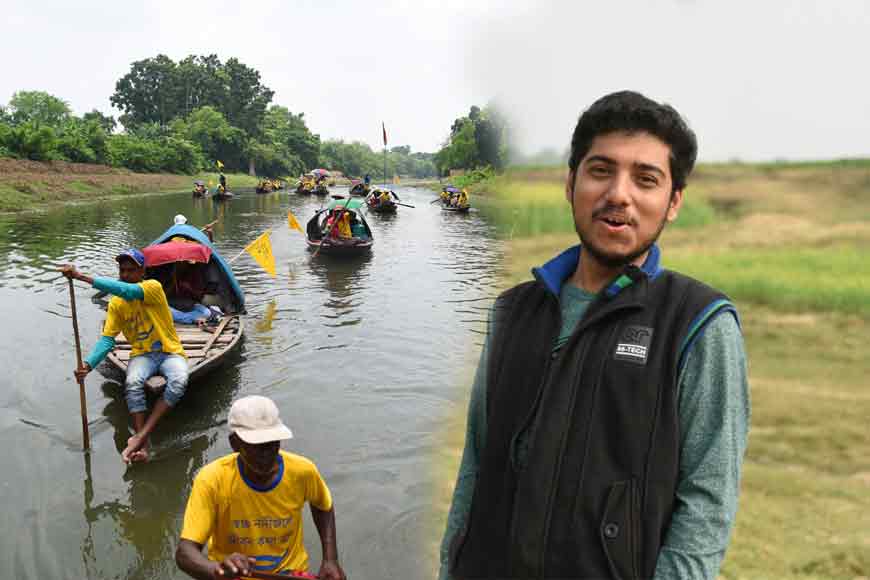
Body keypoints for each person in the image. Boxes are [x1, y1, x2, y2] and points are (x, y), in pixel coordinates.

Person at [439, 91, 750, 580]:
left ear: (673, 203)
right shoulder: (512, 311)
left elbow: (706, 507)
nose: (619, 195)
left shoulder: (698, 323)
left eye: (646, 179)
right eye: (601, 170)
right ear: (571, 182)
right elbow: (477, 463)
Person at [175, 395, 346, 580]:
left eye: (273, 443)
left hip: (289, 573)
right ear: (235, 444)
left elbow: (323, 505)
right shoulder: (211, 480)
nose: (267, 454)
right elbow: (185, 554)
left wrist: (330, 559)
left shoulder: (303, 472)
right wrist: (217, 570)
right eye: (257, 446)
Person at [60, 249, 189, 464]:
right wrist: (88, 364)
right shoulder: (116, 304)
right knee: (133, 383)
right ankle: (143, 447)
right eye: (122, 270)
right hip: (142, 355)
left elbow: (128, 291)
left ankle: (140, 436)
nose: (126, 274)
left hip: (169, 351)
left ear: (142, 271)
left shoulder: (152, 287)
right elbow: (108, 339)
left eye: (132, 270)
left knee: (179, 381)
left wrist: (82, 277)